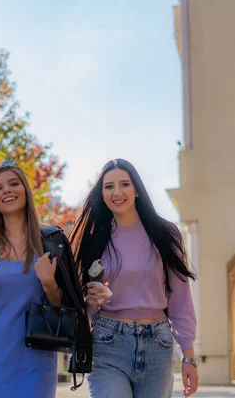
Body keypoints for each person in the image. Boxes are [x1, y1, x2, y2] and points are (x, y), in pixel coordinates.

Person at [69, 158, 199, 398]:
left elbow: (180, 297)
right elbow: (81, 303)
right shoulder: (93, 238)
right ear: (102, 194)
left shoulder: (165, 233)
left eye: (124, 184)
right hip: (108, 343)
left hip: (157, 344)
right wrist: (91, 302)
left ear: (136, 189)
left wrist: (189, 355)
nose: (117, 192)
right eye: (109, 187)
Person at [0, 162, 72, 398]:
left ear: (25, 191)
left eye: (13, 183)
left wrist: (49, 282)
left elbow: (64, 309)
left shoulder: (50, 242)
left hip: (36, 360)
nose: (7, 191)